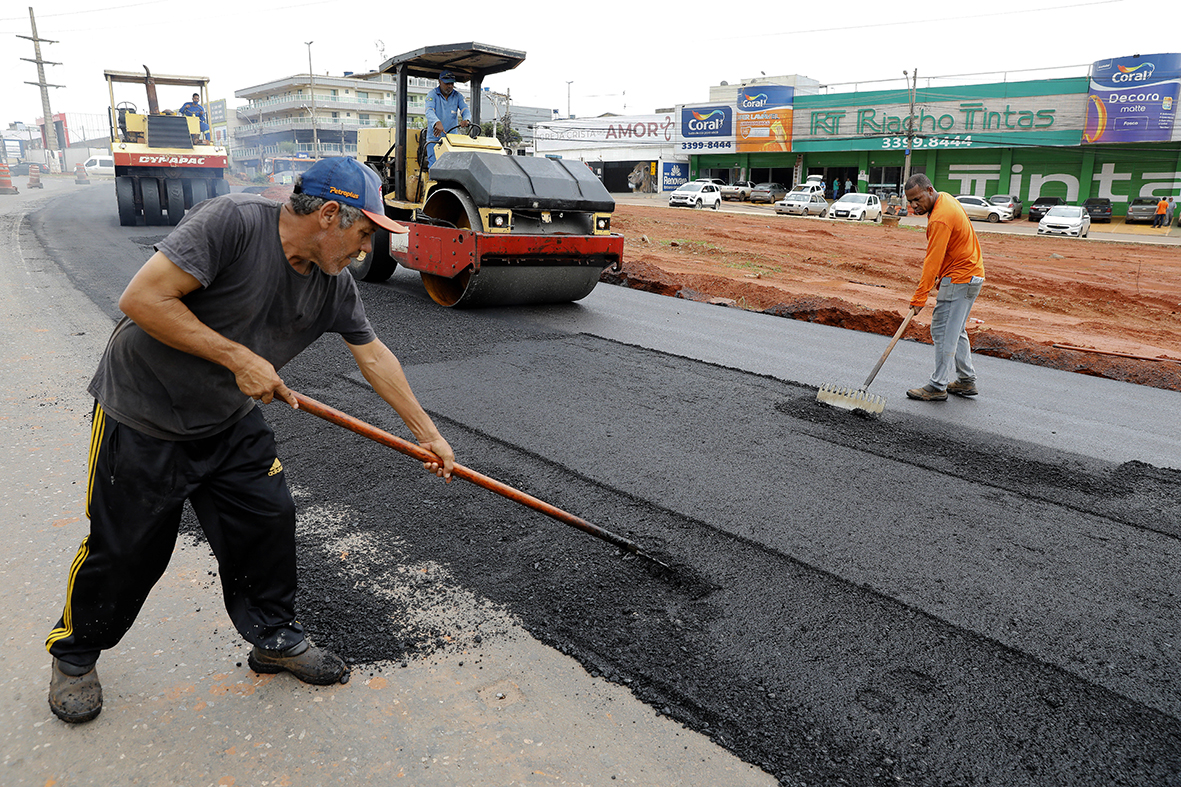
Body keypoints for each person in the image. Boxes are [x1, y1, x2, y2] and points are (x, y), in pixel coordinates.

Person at [45, 157, 456, 723]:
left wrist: (427, 434)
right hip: (144, 411)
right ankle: (75, 656)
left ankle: (273, 638)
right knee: (127, 551)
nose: (365, 249)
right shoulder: (232, 223)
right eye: (364, 232)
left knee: (266, 523)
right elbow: (141, 300)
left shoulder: (333, 286)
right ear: (330, 214)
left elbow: (373, 354)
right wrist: (238, 357)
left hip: (228, 420)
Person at [901, 173, 985, 401]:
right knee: (954, 329)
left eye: (917, 199)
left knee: (943, 329)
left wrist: (920, 296)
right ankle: (966, 380)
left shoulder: (940, 217)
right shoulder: (945, 198)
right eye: (910, 201)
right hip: (970, 275)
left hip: (960, 277)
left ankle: (937, 386)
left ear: (929, 190)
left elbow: (932, 260)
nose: (914, 205)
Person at [424, 70, 471, 168]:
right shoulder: (432, 95)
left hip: (451, 139)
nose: (449, 86)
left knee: (451, 166)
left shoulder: (458, 96)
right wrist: (437, 122)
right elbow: (429, 110)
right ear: (440, 82)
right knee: (435, 165)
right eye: (447, 83)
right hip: (435, 139)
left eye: (451, 83)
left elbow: (465, 109)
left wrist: (466, 119)